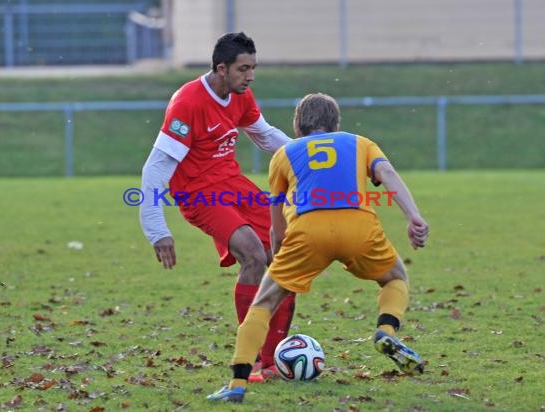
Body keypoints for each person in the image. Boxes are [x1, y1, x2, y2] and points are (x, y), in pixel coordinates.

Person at [207, 93, 429, 402]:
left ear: (297, 127)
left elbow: (276, 218)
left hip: (308, 230)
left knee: (263, 304)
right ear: (336, 124)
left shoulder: (284, 154)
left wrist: (280, 253)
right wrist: (413, 216)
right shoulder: (360, 142)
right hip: (358, 225)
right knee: (395, 278)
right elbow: (387, 174)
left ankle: (237, 385)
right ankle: (386, 332)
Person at [139, 32, 296, 381]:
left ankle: (274, 361)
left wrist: (308, 159)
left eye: (253, 68)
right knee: (254, 256)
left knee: (285, 255)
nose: (250, 76)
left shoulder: (241, 95)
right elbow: (156, 168)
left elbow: (266, 135)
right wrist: (157, 229)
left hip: (232, 184)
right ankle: (251, 357)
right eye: (244, 69)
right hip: (198, 193)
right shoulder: (188, 103)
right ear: (221, 68)